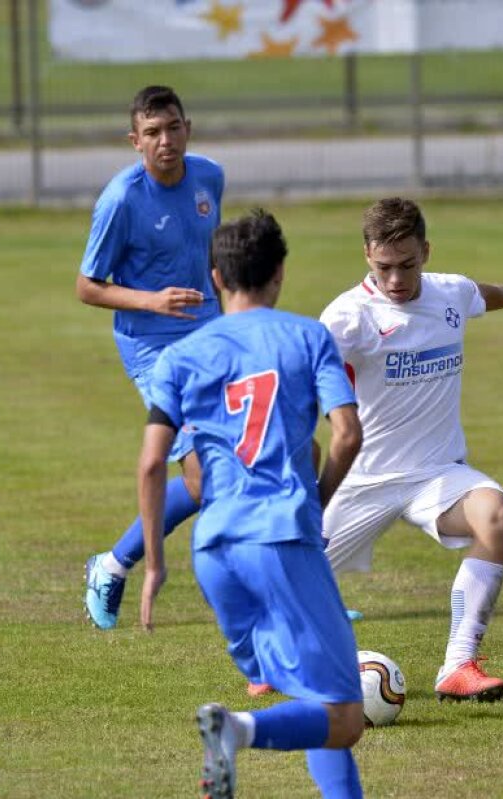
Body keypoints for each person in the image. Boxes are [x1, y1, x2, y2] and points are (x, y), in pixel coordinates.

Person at [137, 209, 365, 798]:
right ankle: (235, 730)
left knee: (317, 698)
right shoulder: (307, 337)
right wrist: (316, 501)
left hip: (213, 552)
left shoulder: (181, 356)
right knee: (345, 715)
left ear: (215, 277)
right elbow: (346, 433)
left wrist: (157, 566)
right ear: (280, 272)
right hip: (279, 539)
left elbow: (150, 463)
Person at [318, 197, 503, 702]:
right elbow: (303, 368)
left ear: (426, 251)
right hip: (362, 479)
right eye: (384, 268)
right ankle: (272, 657)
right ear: (366, 256)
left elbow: (481, 294)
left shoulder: (449, 292)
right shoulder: (348, 316)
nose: (396, 279)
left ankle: (458, 664)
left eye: (408, 265)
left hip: (436, 474)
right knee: (289, 576)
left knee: (497, 514)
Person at [77, 85, 224, 630]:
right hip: (153, 347)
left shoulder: (209, 176)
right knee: (206, 476)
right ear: (135, 140)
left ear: (188, 127)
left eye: (174, 128)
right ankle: (118, 565)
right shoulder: (121, 199)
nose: (166, 141)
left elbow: (209, 254)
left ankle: (112, 562)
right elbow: (87, 287)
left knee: (259, 455)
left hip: (210, 335)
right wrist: (151, 300)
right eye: (153, 132)